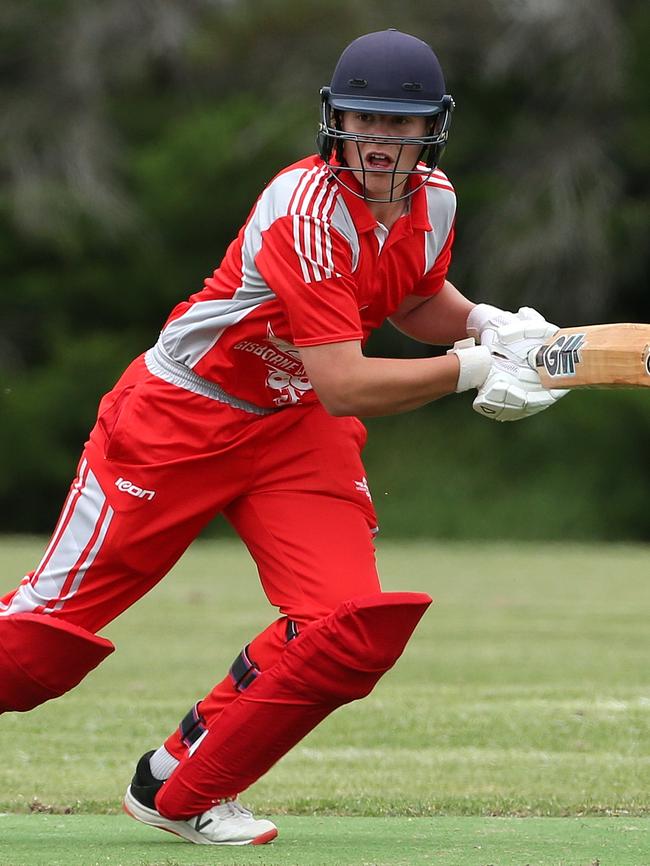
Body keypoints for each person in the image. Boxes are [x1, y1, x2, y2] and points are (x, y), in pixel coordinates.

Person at [0, 29, 566, 845]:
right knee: (34, 653)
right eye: (367, 120)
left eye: (401, 125)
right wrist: (472, 369)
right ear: (335, 119)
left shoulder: (435, 198)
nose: (382, 141)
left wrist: (487, 322)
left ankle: (180, 787)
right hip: (182, 415)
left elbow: (410, 295)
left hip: (295, 426)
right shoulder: (302, 209)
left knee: (347, 628)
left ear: (432, 128)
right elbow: (346, 382)